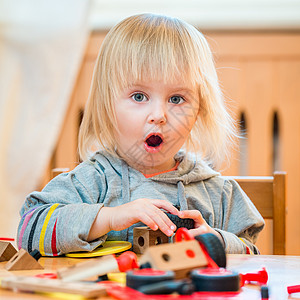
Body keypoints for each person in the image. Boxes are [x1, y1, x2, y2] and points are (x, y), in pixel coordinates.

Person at [17, 13, 264, 256]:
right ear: (107, 105)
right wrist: (110, 218)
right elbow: (28, 232)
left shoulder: (218, 193)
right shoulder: (91, 182)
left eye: (176, 99)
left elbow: (251, 253)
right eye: (139, 97)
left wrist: (216, 242)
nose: (158, 115)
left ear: (200, 109)